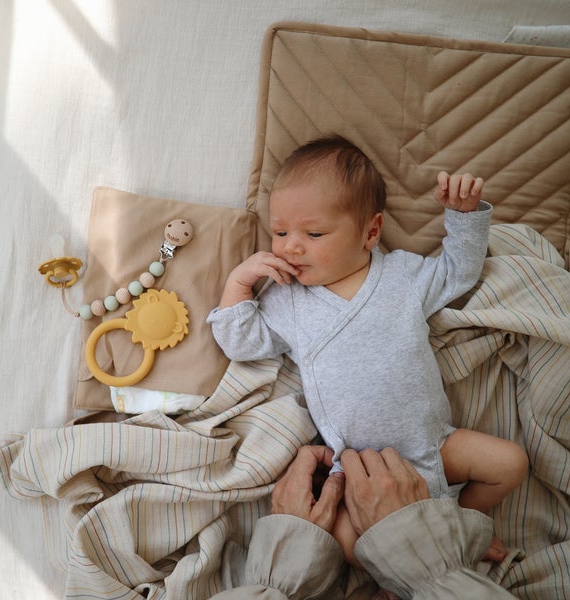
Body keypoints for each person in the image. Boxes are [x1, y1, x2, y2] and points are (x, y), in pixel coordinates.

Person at [206, 135, 528, 563]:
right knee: (340, 538)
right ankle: (404, 566)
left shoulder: (402, 277)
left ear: (370, 232)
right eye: (279, 231)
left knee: (510, 463)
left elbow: (458, 274)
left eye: (314, 232)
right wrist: (239, 284)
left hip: (431, 447)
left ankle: (459, 525)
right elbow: (241, 344)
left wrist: (464, 217)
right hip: (358, 468)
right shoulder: (287, 300)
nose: (290, 246)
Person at [209, 445, 517, 599]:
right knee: (511, 462)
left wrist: (284, 562)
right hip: (424, 467)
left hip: (349, 469)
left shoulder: (351, 544)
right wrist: (443, 545)